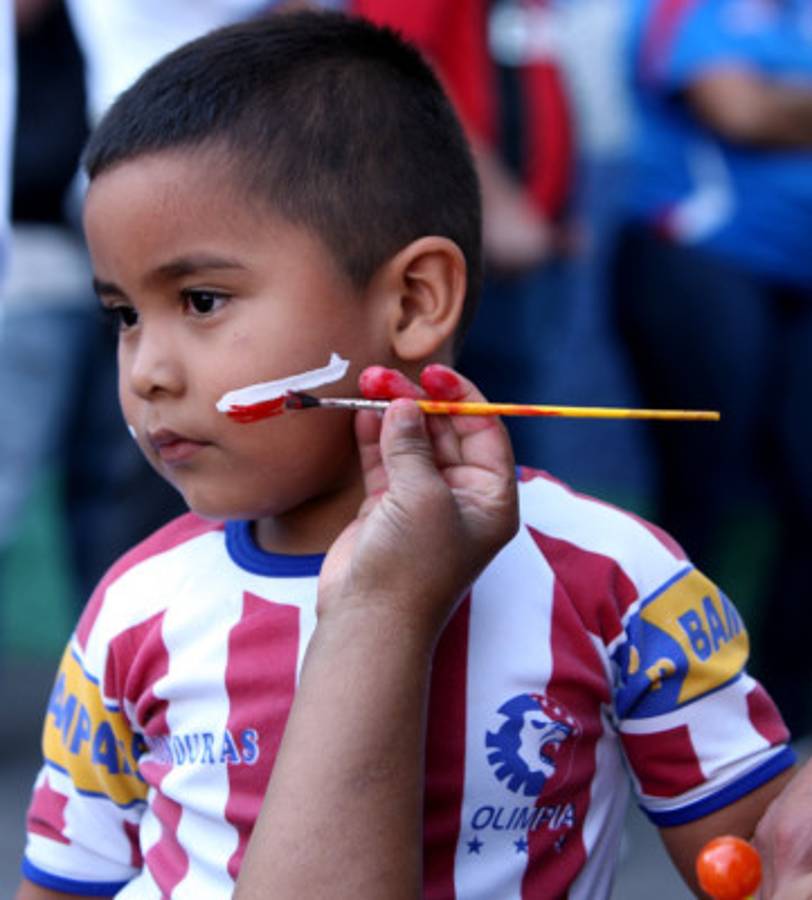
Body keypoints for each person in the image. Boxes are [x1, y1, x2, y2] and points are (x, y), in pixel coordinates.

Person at [16, 11, 796, 898]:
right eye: (123, 315)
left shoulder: (615, 578)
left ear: (418, 300)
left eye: (200, 300)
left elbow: (761, 863)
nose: (147, 372)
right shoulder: (131, 609)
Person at [610, 0, 812, 735]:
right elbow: (741, 111)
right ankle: (663, 712)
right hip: (701, 259)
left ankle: (780, 718)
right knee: (704, 490)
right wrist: (772, 107)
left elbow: (766, 108)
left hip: (797, 278)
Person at [351, 0, 574, 469]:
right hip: (460, 241)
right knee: (473, 447)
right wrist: (494, 206)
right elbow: (395, 62)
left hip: (513, 246)